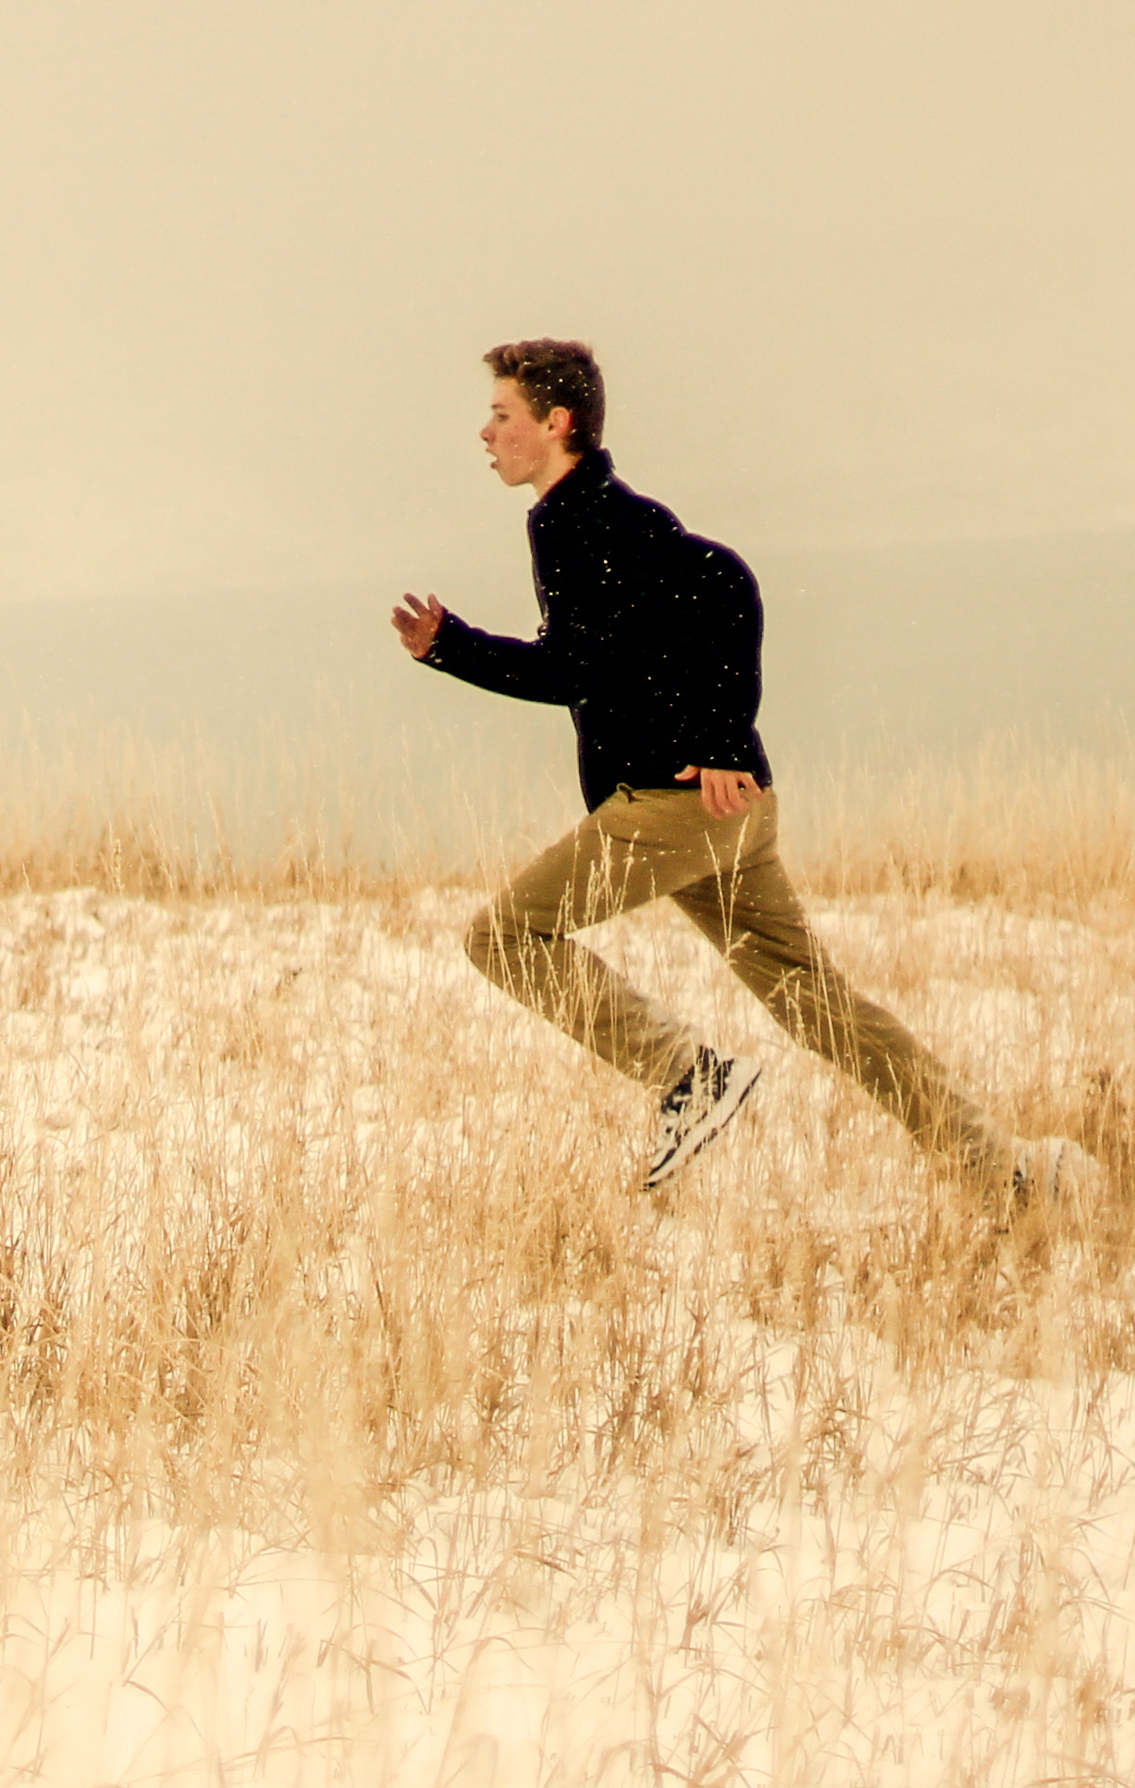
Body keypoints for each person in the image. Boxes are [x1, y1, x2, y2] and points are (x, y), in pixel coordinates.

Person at [393, 339, 1045, 1204]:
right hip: (719, 808)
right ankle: (1000, 1171)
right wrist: (729, 742)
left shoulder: (577, 518)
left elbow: (617, 645)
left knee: (505, 938)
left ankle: (687, 1076)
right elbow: (703, 597)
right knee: (821, 1006)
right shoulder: (607, 513)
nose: (485, 431)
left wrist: (452, 647)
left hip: (672, 808)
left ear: (557, 424)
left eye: (503, 414)